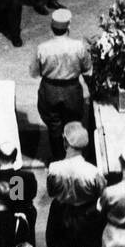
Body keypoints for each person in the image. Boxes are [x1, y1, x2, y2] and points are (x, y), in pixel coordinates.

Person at [45, 122, 105, 247]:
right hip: (87, 217)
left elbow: (51, 192)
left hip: (63, 216)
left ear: (65, 142)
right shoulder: (93, 172)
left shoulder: (54, 168)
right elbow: (102, 194)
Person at [32, 9, 91, 161]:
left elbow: (34, 72)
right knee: (74, 123)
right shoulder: (79, 46)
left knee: (53, 126)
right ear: (68, 27)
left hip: (50, 90)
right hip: (72, 90)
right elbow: (87, 69)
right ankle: (74, 157)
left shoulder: (43, 48)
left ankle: (58, 158)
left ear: (51, 27)